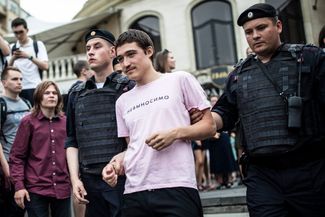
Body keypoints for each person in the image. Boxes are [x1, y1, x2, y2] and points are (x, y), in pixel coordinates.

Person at [211, 3, 325, 216]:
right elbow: (223, 113)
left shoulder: (310, 58)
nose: (255, 36)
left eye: (261, 28)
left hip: (310, 170)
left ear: (279, 26)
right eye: (248, 32)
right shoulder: (238, 74)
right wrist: (204, 119)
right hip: (263, 176)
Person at [102, 29, 216, 217]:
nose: (126, 63)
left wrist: (175, 134)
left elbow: (209, 127)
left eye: (131, 54)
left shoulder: (179, 79)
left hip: (177, 186)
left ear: (148, 51)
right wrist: (116, 164)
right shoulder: (122, 101)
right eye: (121, 59)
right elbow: (133, 147)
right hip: (134, 192)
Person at [65, 29, 135, 217]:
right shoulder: (75, 93)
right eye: (88, 48)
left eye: (97, 46)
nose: (90, 52)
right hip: (89, 182)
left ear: (113, 52)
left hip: (122, 180)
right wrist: (75, 180)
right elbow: (71, 140)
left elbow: (138, 137)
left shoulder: (129, 87)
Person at [9, 81, 71, 217]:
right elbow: (17, 157)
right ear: (38, 97)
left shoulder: (66, 122)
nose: (52, 96)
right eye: (47, 93)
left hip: (63, 187)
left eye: (55, 93)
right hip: (36, 189)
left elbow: (72, 153)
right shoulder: (28, 122)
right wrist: (19, 186)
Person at [0, 67, 31, 217]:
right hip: (8, 163)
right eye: (14, 79)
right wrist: (5, 167)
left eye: (20, 79)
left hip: (27, 166)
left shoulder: (27, 103)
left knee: (25, 206)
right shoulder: (1, 104)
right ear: (4, 82)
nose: (19, 82)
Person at [8, 17, 49, 106]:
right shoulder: (12, 47)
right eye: (16, 33)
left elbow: (45, 66)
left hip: (35, 87)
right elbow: (6, 71)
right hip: (17, 89)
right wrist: (13, 58)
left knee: (36, 117)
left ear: (27, 30)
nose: (18, 35)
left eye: (21, 32)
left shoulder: (37, 45)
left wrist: (29, 57)